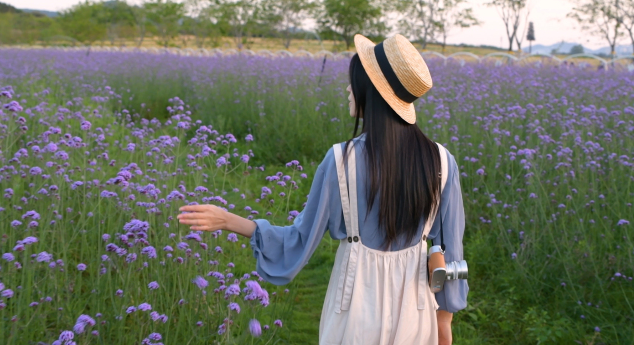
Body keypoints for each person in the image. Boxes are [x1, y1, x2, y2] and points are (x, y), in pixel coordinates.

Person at [177, 33, 469, 345]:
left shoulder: (342, 162)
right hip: (417, 309)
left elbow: (299, 240)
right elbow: (452, 252)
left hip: (353, 306)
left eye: (352, 82)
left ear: (371, 91)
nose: (347, 89)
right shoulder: (442, 161)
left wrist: (228, 220)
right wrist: (444, 322)